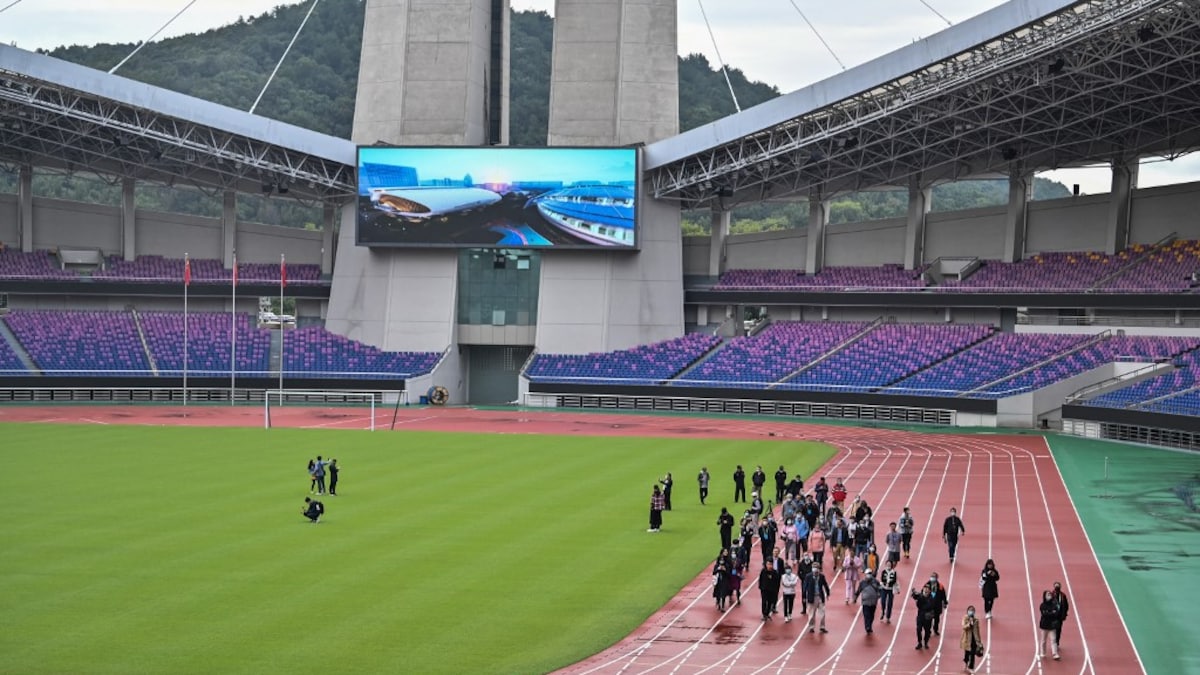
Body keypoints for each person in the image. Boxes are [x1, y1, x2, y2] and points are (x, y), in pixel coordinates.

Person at [802, 562, 831, 634]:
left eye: (817, 568)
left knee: (822, 613)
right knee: (811, 614)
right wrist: (804, 597)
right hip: (812, 597)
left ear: (819, 569)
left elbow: (825, 585)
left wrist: (827, 593)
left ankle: (822, 627)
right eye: (814, 568)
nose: (815, 570)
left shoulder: (821, 576)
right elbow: (804, 587)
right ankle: (811, 627)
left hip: (820, 597)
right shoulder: (808, 576)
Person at [854, 569, 881, 634]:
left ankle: (870, 625)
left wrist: (879, 595)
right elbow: (858, 590)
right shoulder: (862, 583)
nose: (868, 575)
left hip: (873, 602)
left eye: (870, 573)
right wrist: (855, 598)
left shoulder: (876, 582)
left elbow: (880, 589)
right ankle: (867, 627)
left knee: (871, 615)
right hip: (865, 602)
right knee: (866, 615)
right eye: (867, 574)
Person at [1038, 589, 1061, 660]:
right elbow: (1044, 614)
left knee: (1053, 640)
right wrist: (1051, 613)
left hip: (1052, 626)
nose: (1049, 595)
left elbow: (1056, 613)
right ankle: (1043, 653)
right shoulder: (1042, 605)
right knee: (1043, 640)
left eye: (1050, 594)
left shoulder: (1054, 605)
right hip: (1044, 626)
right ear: (1044, 596)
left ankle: (1055, 654)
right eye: (1048, 594)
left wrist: (1049, 613)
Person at [924, 572, 949, 636]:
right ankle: (928, 631)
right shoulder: (927, 585)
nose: (932, 578)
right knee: (929, 619)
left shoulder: (940, 586)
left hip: (937, 605)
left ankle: (935, 629)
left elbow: (943, 595)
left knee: (937, 619)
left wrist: (945, 602)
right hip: (929, 606)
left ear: (937, 578)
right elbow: (923, 593)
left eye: (934, 577)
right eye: (931, 576)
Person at [961, 605, 984, 671]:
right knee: (967, 653)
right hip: (967, 639)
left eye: (972, 610)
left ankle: (971, 667)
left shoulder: (976, 620)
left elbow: (977, 631)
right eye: (970, 610)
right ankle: (966, 662)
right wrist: (969, 624)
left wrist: (979, 641)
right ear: (967, 611)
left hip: (974, 639)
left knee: (973, 653)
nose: (971, 611)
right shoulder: (965, 618)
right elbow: (964, 627)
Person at [1050, 581, 1070, 653]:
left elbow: (1066, 605)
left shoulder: (1063, 595)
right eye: (1056, 586)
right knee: (1053, 630)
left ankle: (1057, 642)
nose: (1057, 588)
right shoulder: (1051, 595)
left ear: (1060, 587)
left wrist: (1064, 614)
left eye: (1058, 586)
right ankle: (1054, 643)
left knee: (1058, 630)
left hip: (1060, 616)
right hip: (1053, 616)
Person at [879, 559, 899, 624]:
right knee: (883, 601)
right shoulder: (884, 571)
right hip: (884, 589)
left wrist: (890, 582)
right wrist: (885, 583)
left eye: (889, 564)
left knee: (890, 603)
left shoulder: (894, 572)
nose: (888, 565)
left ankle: (888, 617)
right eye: (887, 564)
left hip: (890, 589)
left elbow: (895, 580)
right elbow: (882, 579)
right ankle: (883, 612)